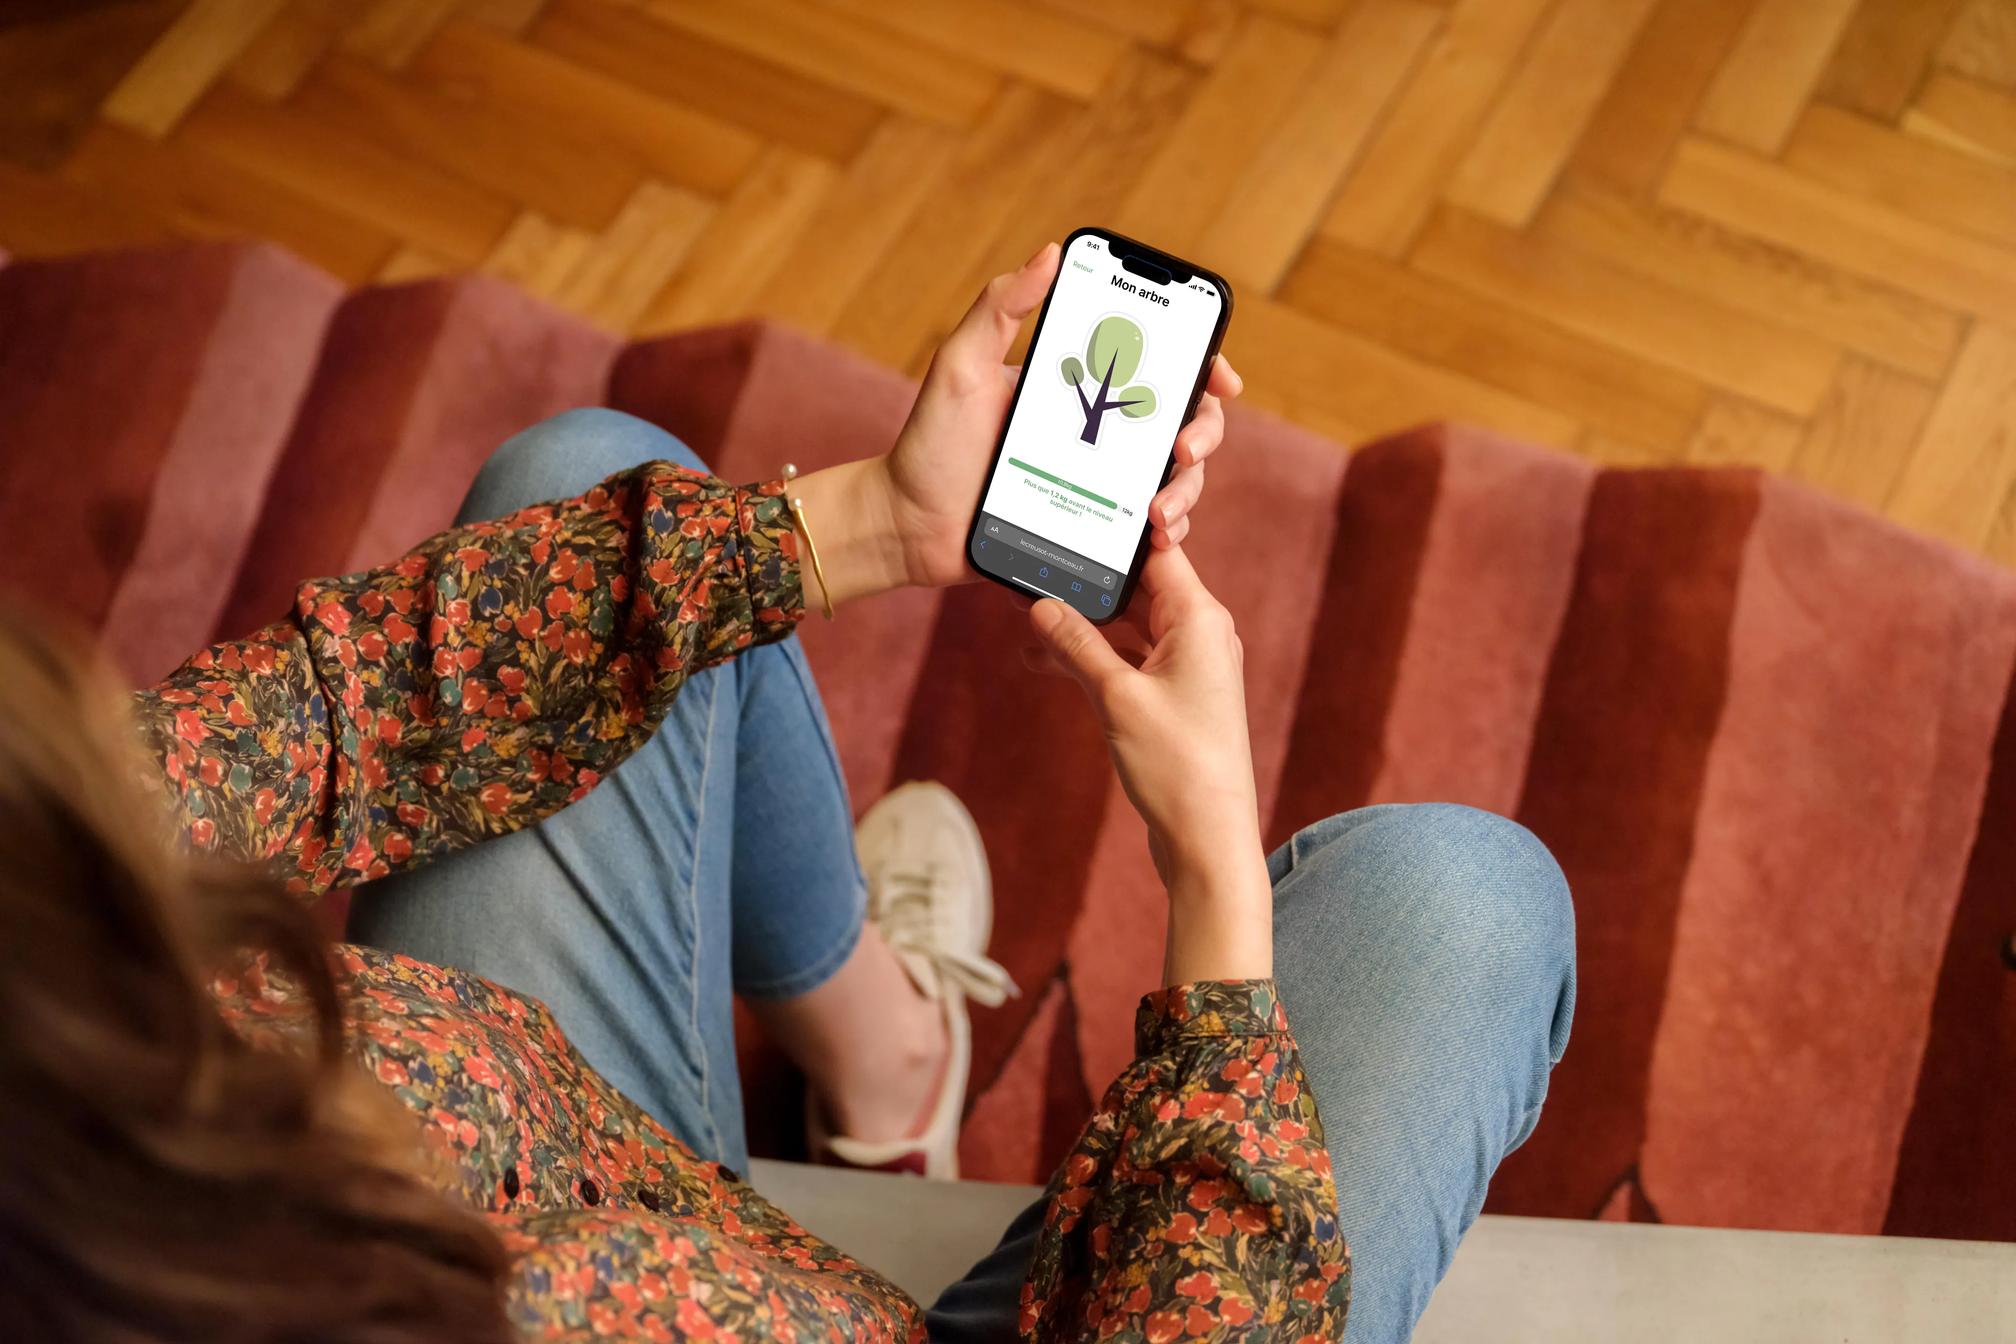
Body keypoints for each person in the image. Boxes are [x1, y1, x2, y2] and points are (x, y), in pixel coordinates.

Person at [0, 243, 1574, 1343]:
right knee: (1463, 902)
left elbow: (318, 716)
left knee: (583, 468)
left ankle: (888, 1073)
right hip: (652, 1281)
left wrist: (875, 521)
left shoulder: (49, 937)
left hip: (552, 1153)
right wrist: (1215, 895)